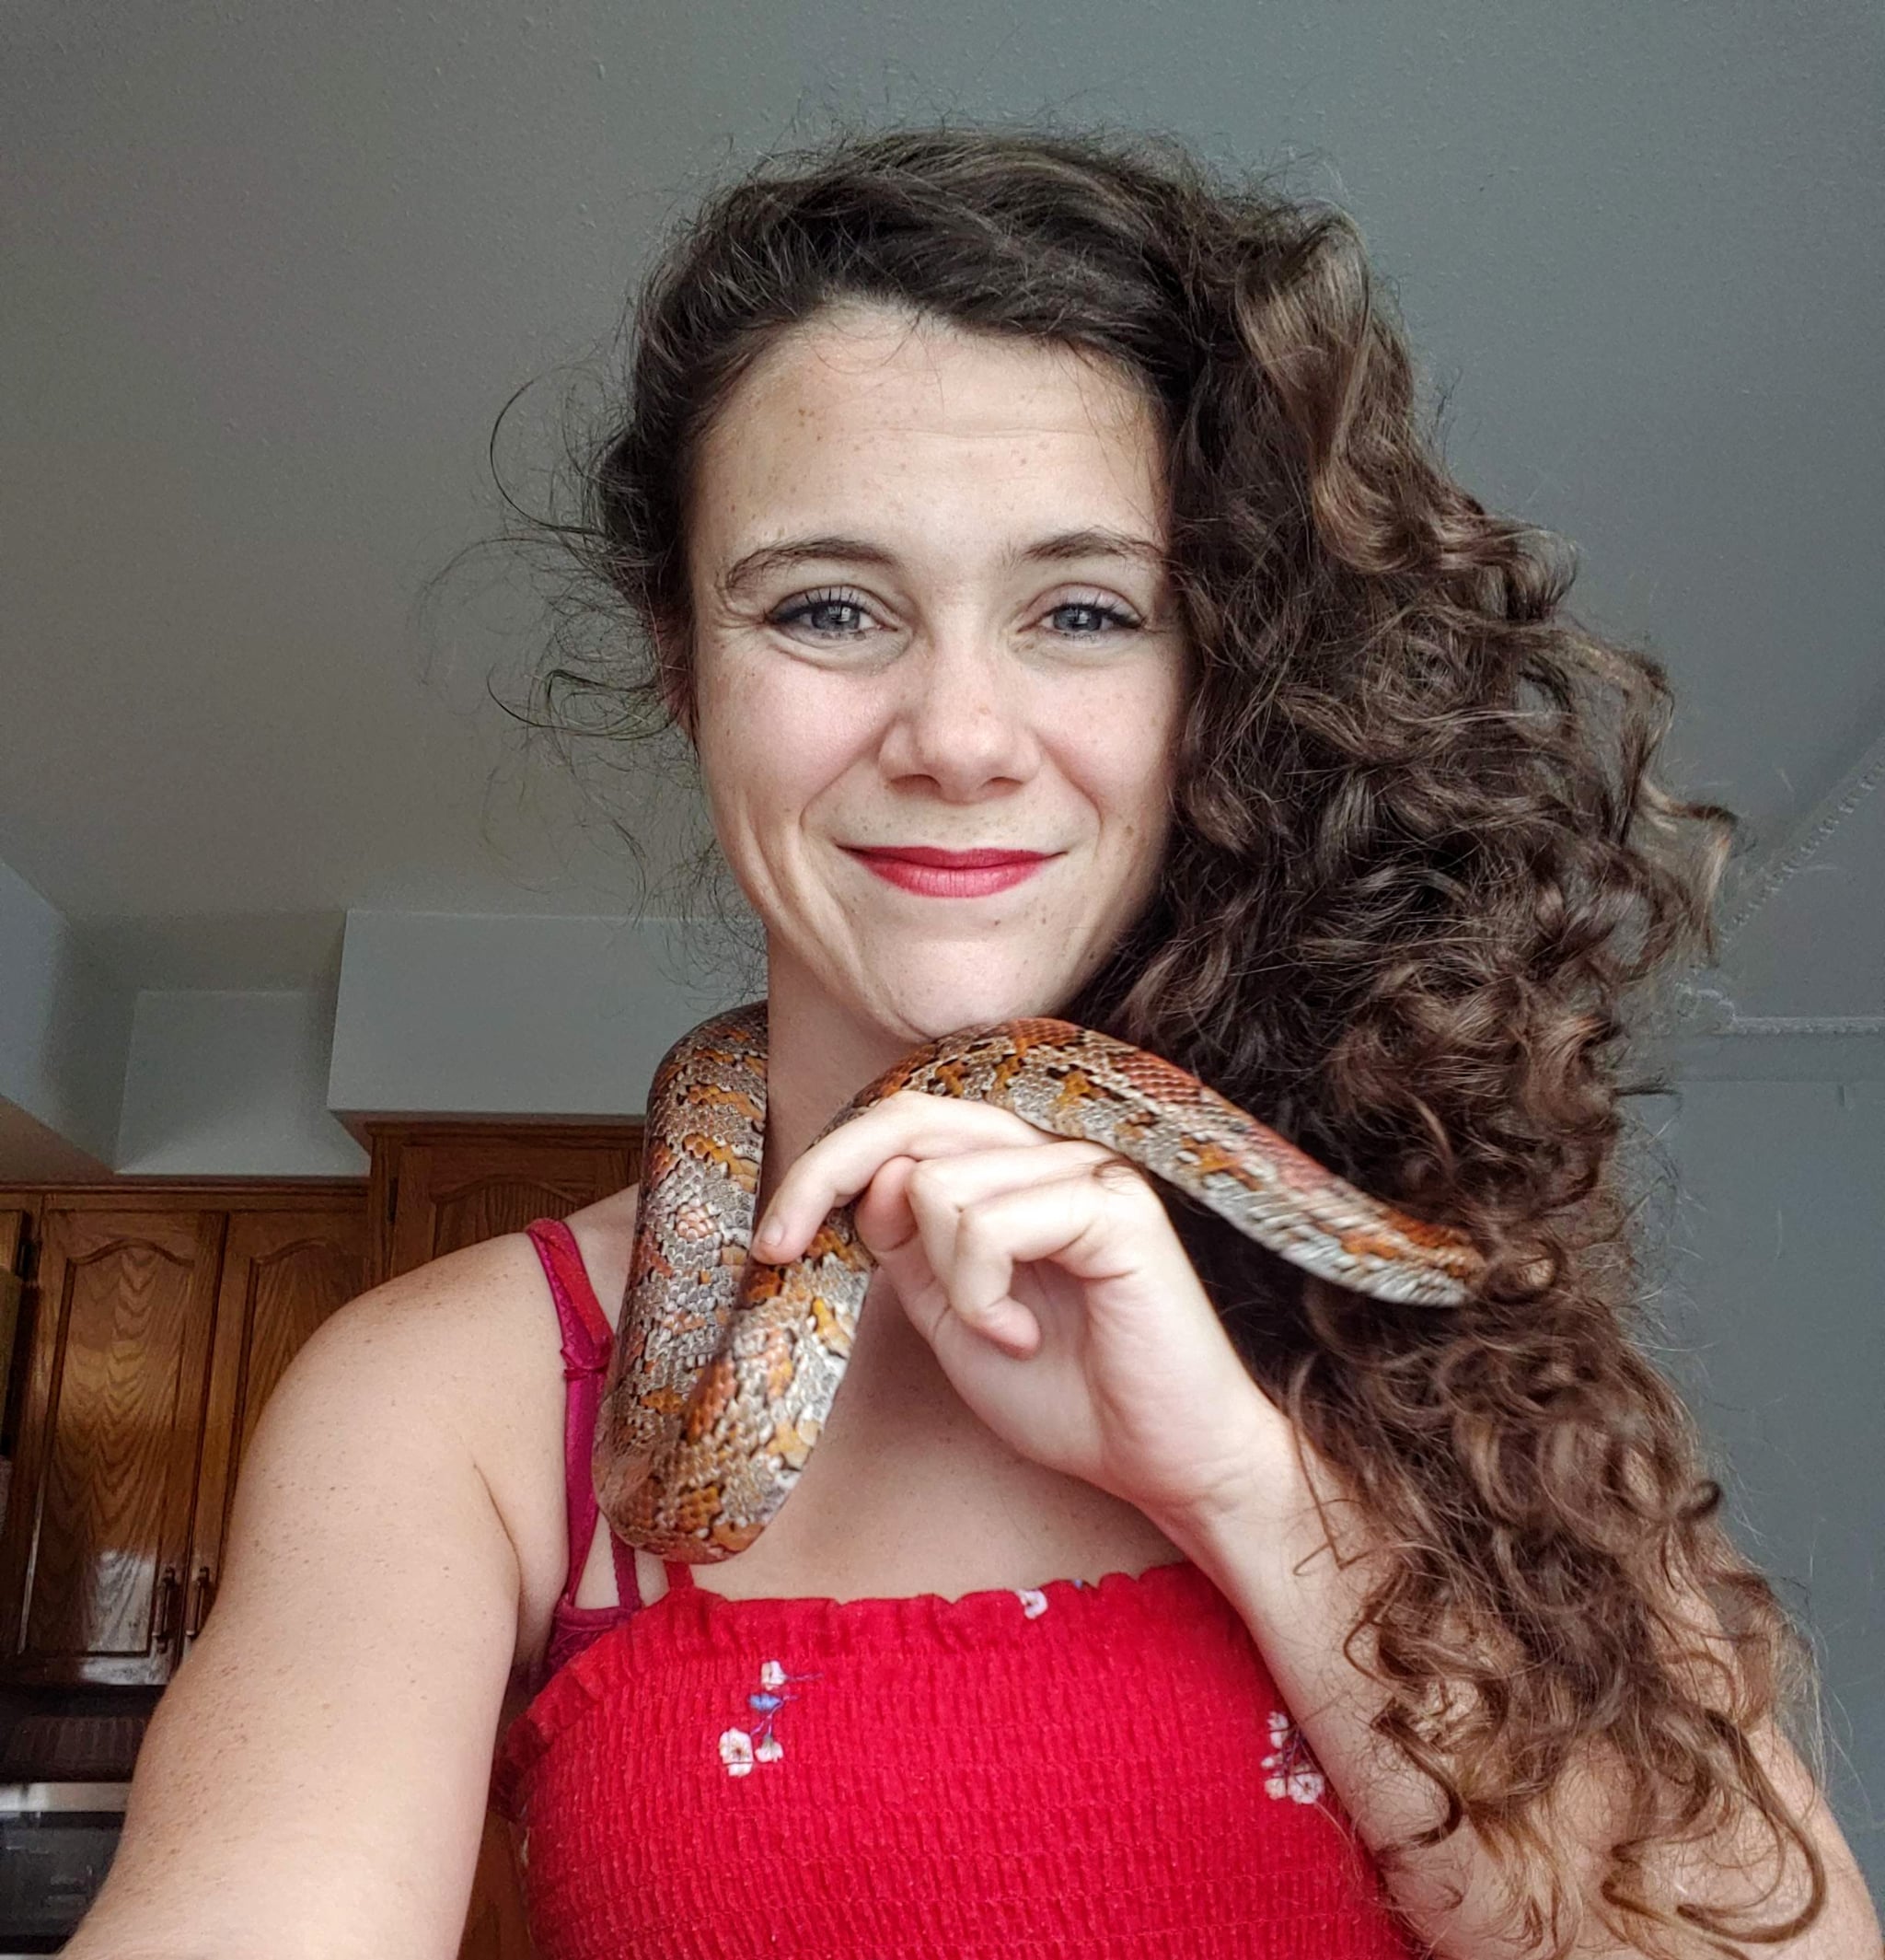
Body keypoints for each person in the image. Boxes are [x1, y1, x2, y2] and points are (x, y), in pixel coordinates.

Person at [68, 125, 1878, 1959]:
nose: (956, 731)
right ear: (685, 663)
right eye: (829, 606)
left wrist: (1242, 1483)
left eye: (1084, 611)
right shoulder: (458, 1405)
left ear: (1208, 683)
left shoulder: (1459, 1362)